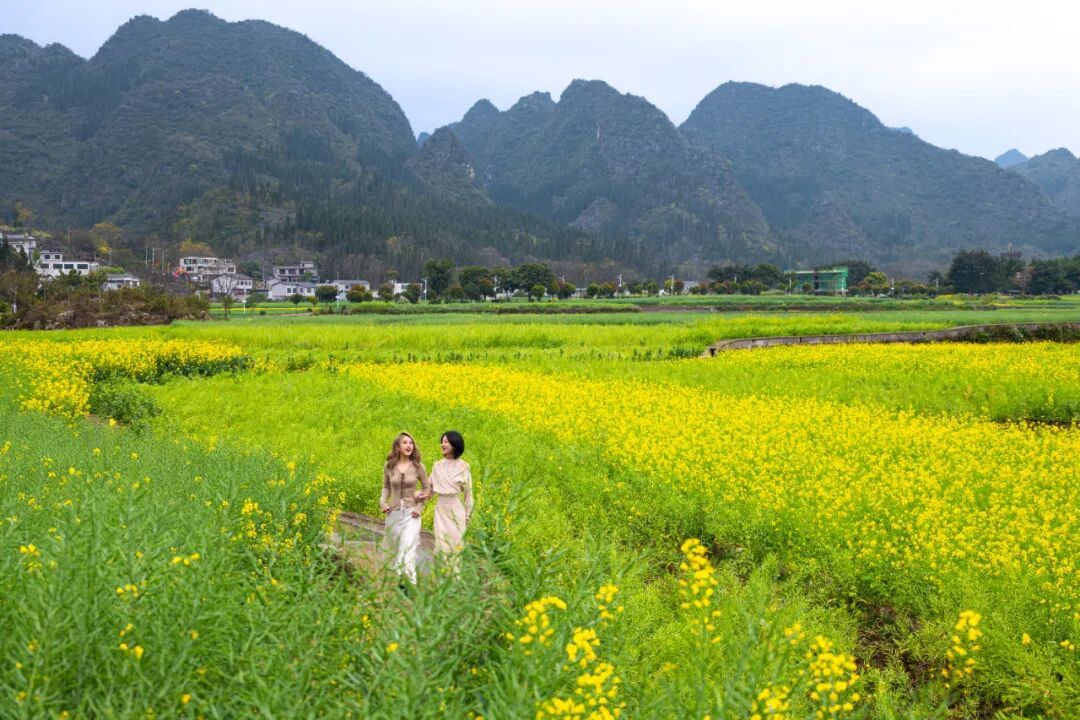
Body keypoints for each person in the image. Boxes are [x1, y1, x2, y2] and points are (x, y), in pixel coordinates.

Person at [380, 432, 430, 582]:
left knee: (407, 547)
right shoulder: (389, 466)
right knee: (396, 549)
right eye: (405, 443)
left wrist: (420, 507)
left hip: (411, 514)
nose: (409, 445)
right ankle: (401, 579)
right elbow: (386, 487)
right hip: (393, 514)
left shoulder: (418, 466)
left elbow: (427, 488)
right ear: (397, 447)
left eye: (411, 443)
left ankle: (410, 584)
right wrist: (383, 502)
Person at [428, 430, 474, 561]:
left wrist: (467, 515)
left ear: (455, 444)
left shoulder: (464, 467)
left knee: (456, 546)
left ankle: (455, 573)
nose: (442, 444)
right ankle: (441, 573)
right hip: (441, 511)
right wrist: (415, 500)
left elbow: (468, 494)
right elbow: (429, 490)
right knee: (441, 545)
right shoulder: (437, 466)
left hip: (456, 511)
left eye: (446, 442)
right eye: (442, 442)